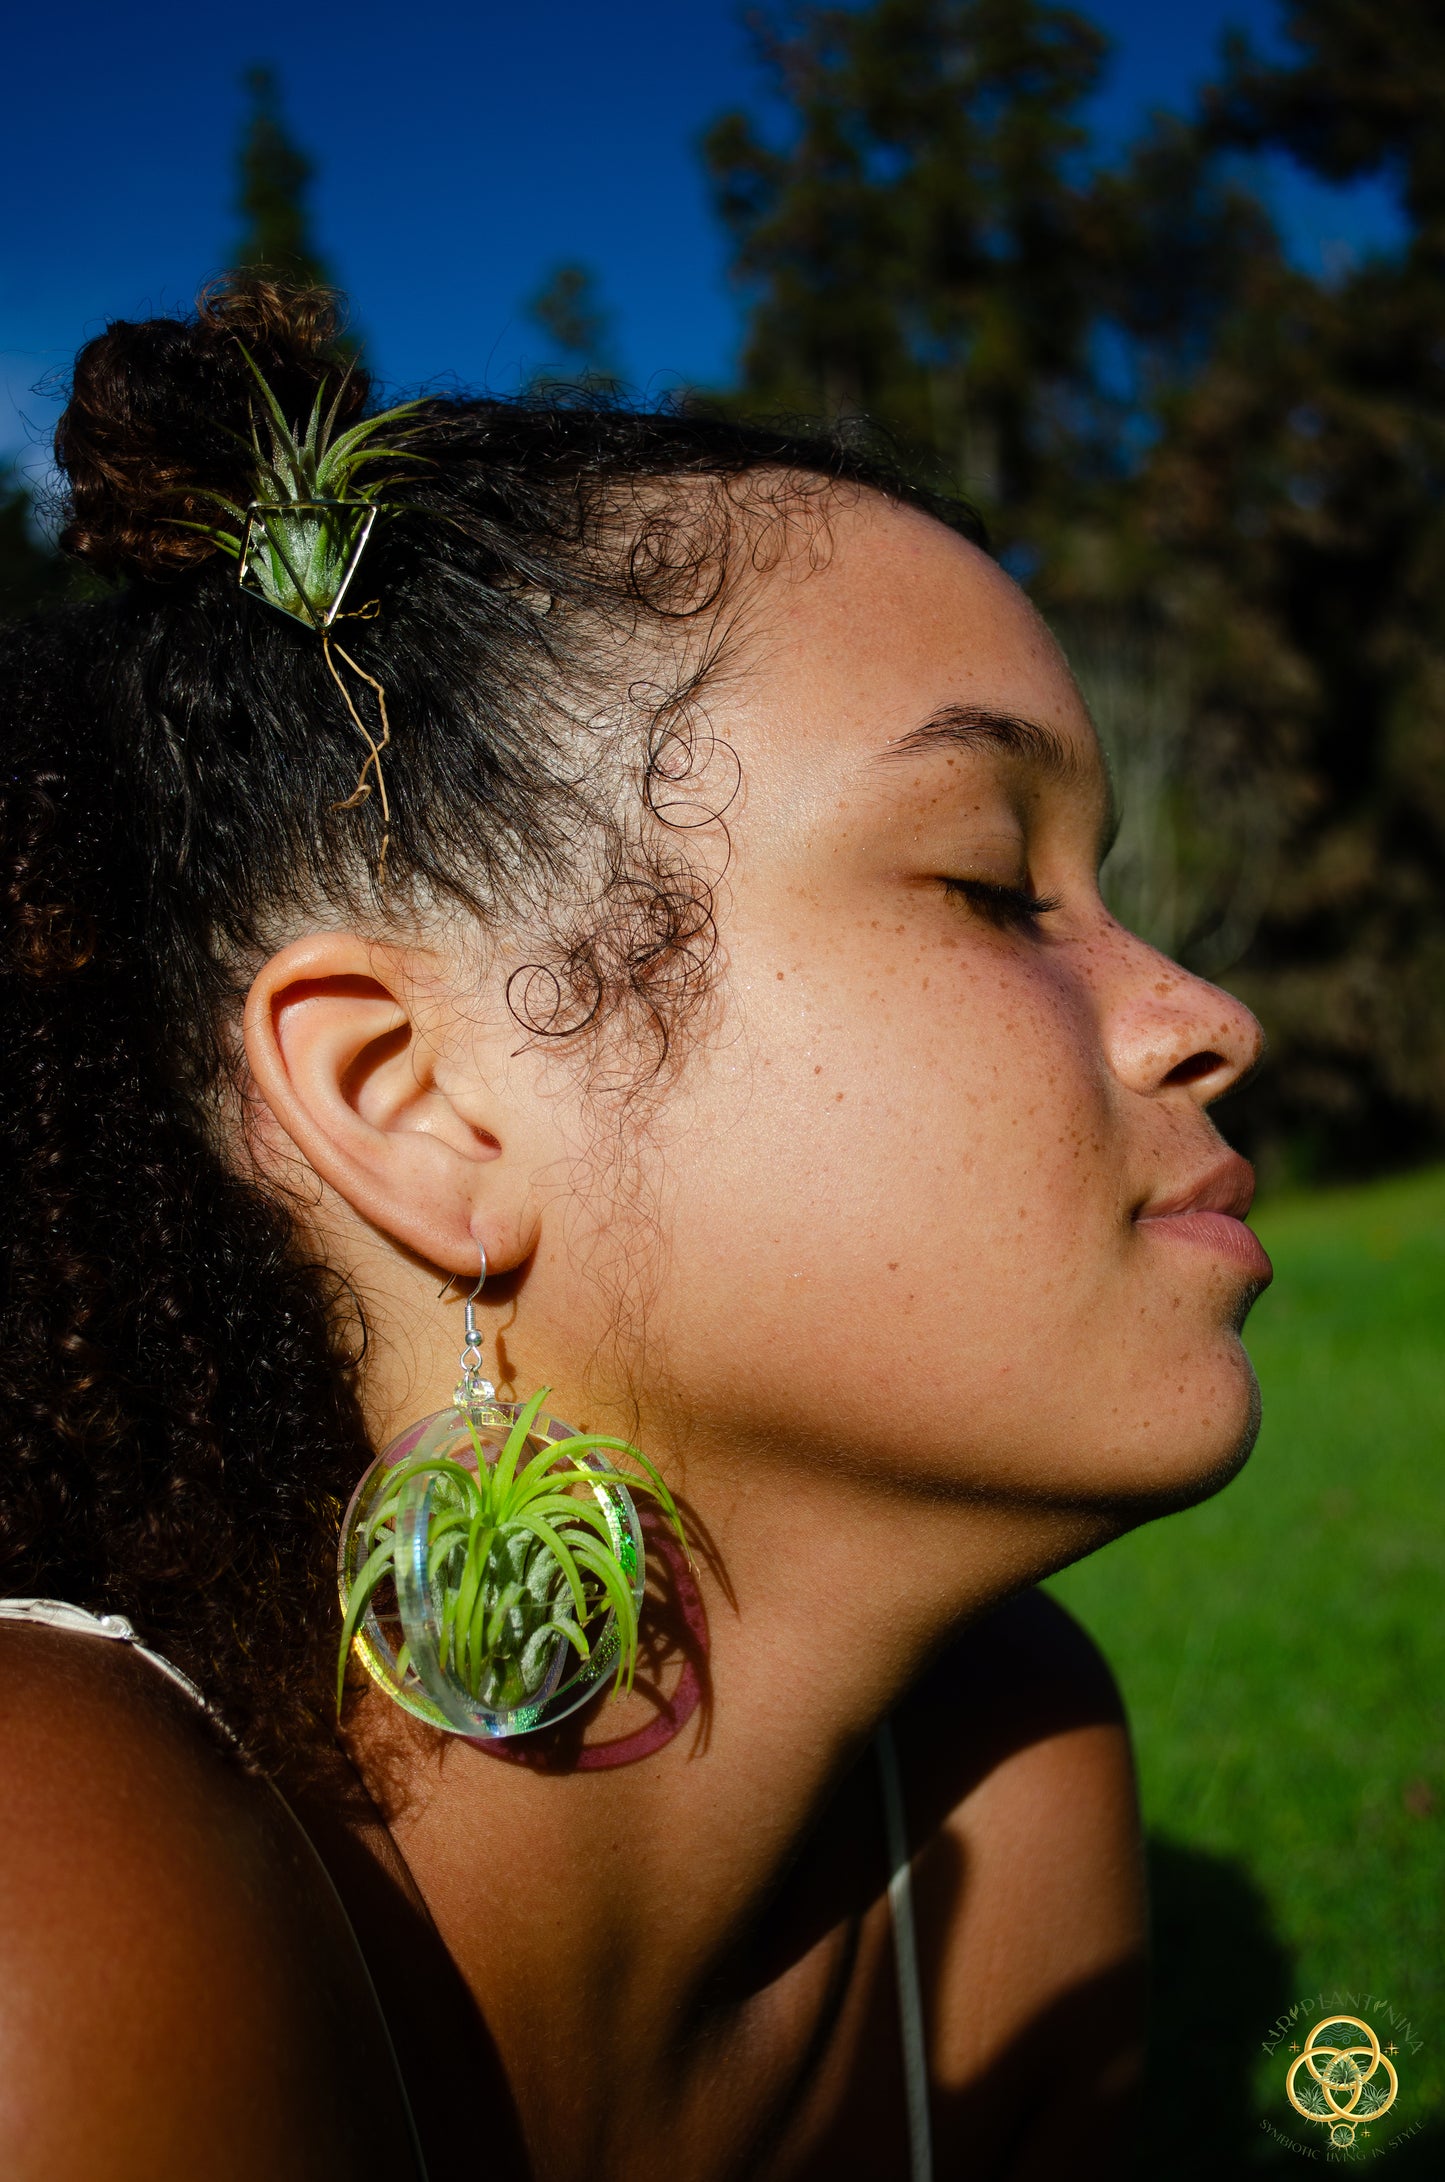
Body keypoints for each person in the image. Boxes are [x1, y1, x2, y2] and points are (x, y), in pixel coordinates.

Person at [0, 278, 1269, 2181]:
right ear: (411, 1096)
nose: (1203, 1014)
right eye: (992, 882)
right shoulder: (54, 1878)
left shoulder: (1006, 1774)